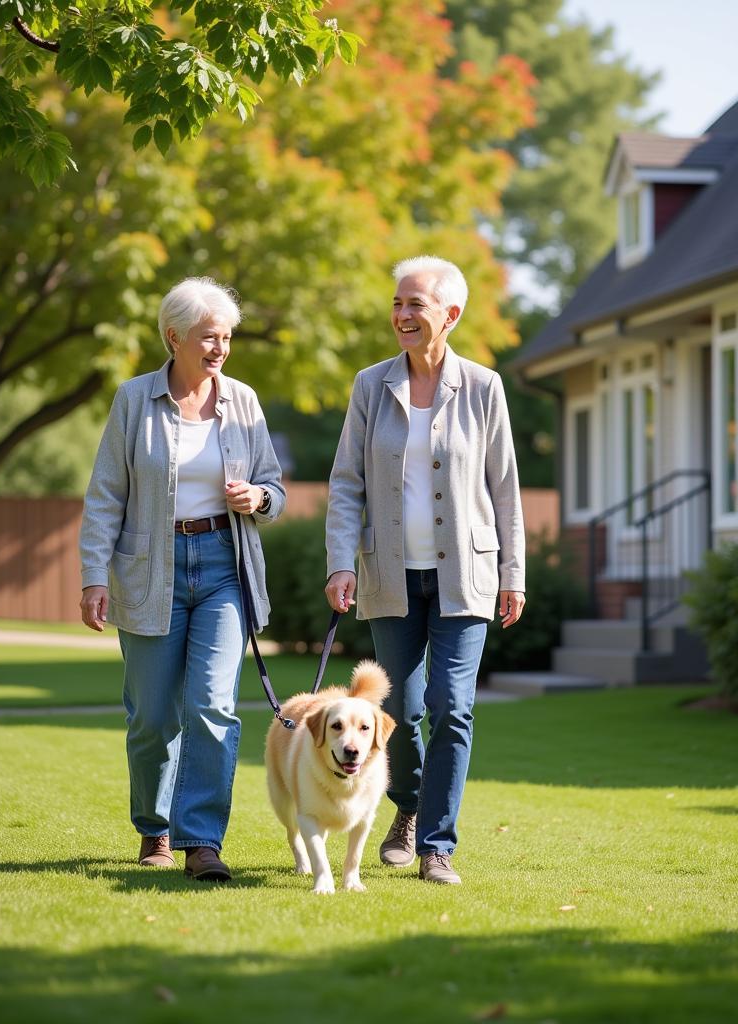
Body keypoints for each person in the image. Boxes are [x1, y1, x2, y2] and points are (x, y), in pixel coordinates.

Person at [325, 255, 525, 885]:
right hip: (390, 574)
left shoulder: (485, 388)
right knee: (401, 714)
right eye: (398, 304)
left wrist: (514, 574)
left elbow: (505, 490)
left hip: (466, 575)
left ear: (451, 316)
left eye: (416, 305)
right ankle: (407, 808)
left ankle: (437, 843)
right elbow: (346, 483)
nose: (403, 315)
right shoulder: (369, 386)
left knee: (452, 706)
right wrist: (340, 561)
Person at [79, 276, 284, 882]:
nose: (219, 349)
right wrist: (94, 575)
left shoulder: (243, 402)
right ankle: (154, 827)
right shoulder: (132, 400)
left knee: (213, 705)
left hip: (225, 565)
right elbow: (105, 496)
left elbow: (276, 488)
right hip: (150, 568)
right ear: (174, 337)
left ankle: (201, 842)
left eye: (226, 338)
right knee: (151, 717)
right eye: (207, 337)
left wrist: (258, 498)